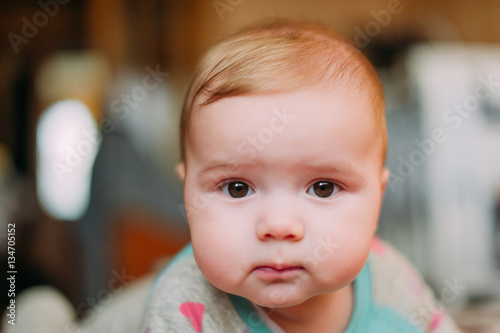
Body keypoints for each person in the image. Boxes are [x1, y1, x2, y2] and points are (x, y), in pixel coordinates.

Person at [141, 20, 460, 332]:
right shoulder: (183, 310)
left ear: (378, 199)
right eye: (237, 188)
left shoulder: (397, 288)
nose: (279, 226)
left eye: (323, 188)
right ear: (188, 194)